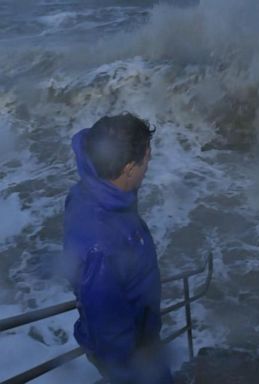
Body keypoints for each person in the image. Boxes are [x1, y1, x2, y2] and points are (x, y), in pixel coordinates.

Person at [63, 114, 173, 384]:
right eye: (146, 156)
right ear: (128, 168)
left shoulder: (98, 186)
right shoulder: (102, 246)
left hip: (136, 327)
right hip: (130, 352)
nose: (149, 161)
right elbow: (110, 333)